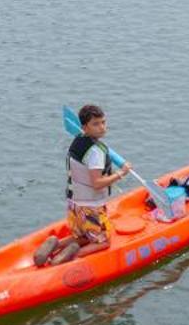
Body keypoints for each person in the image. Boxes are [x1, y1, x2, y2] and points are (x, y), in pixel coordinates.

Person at [35, 103, 132, 267]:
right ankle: (71, 255)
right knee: (104, 242)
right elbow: (97, 184)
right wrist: (121, 173)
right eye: (96, 124)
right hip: (91, 208)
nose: (102, 127)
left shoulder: (78, 140)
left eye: (103, 122)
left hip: (74, 206)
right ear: (85, 127)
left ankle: (56, 244)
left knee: (83, 237)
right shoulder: (96, 152)